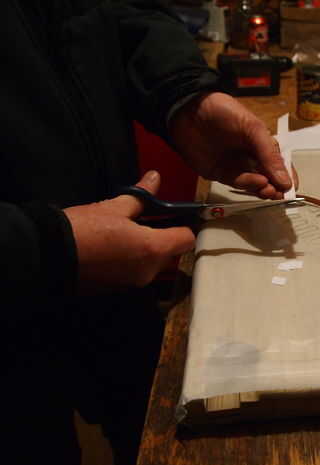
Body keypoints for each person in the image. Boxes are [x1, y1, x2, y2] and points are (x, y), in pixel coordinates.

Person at [2, 1, 295, 464]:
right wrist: (39, 247)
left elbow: (127, 12)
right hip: (13, 322)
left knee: (153, 426)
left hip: (116, 274)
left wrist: (184, 94)